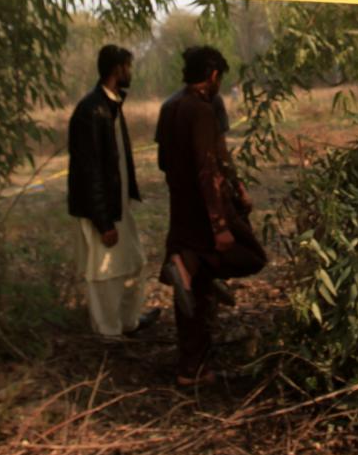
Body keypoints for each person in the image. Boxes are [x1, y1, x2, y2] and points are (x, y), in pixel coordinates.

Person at [155, 46, 266, 385]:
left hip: (181, 205)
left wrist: (236, 182)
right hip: (205, 208)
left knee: (193, 293)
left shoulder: (170, 106)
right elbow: (208, 168)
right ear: (213, 75)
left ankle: (192, 368)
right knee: (251, 256)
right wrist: (220, 225)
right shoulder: (201, 110)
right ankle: (193, 265)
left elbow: (163, 161)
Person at [66, 44, 160, 339]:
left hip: (117, 206)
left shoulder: (111, 105)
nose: (130, 72)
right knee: (104, 272)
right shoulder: (91, 110)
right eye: (127, 67)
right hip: (101, 211)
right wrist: (103, 222)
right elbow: (89, 171)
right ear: (118, 69)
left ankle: (128, 322)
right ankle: (108, 332)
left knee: (133, 263)